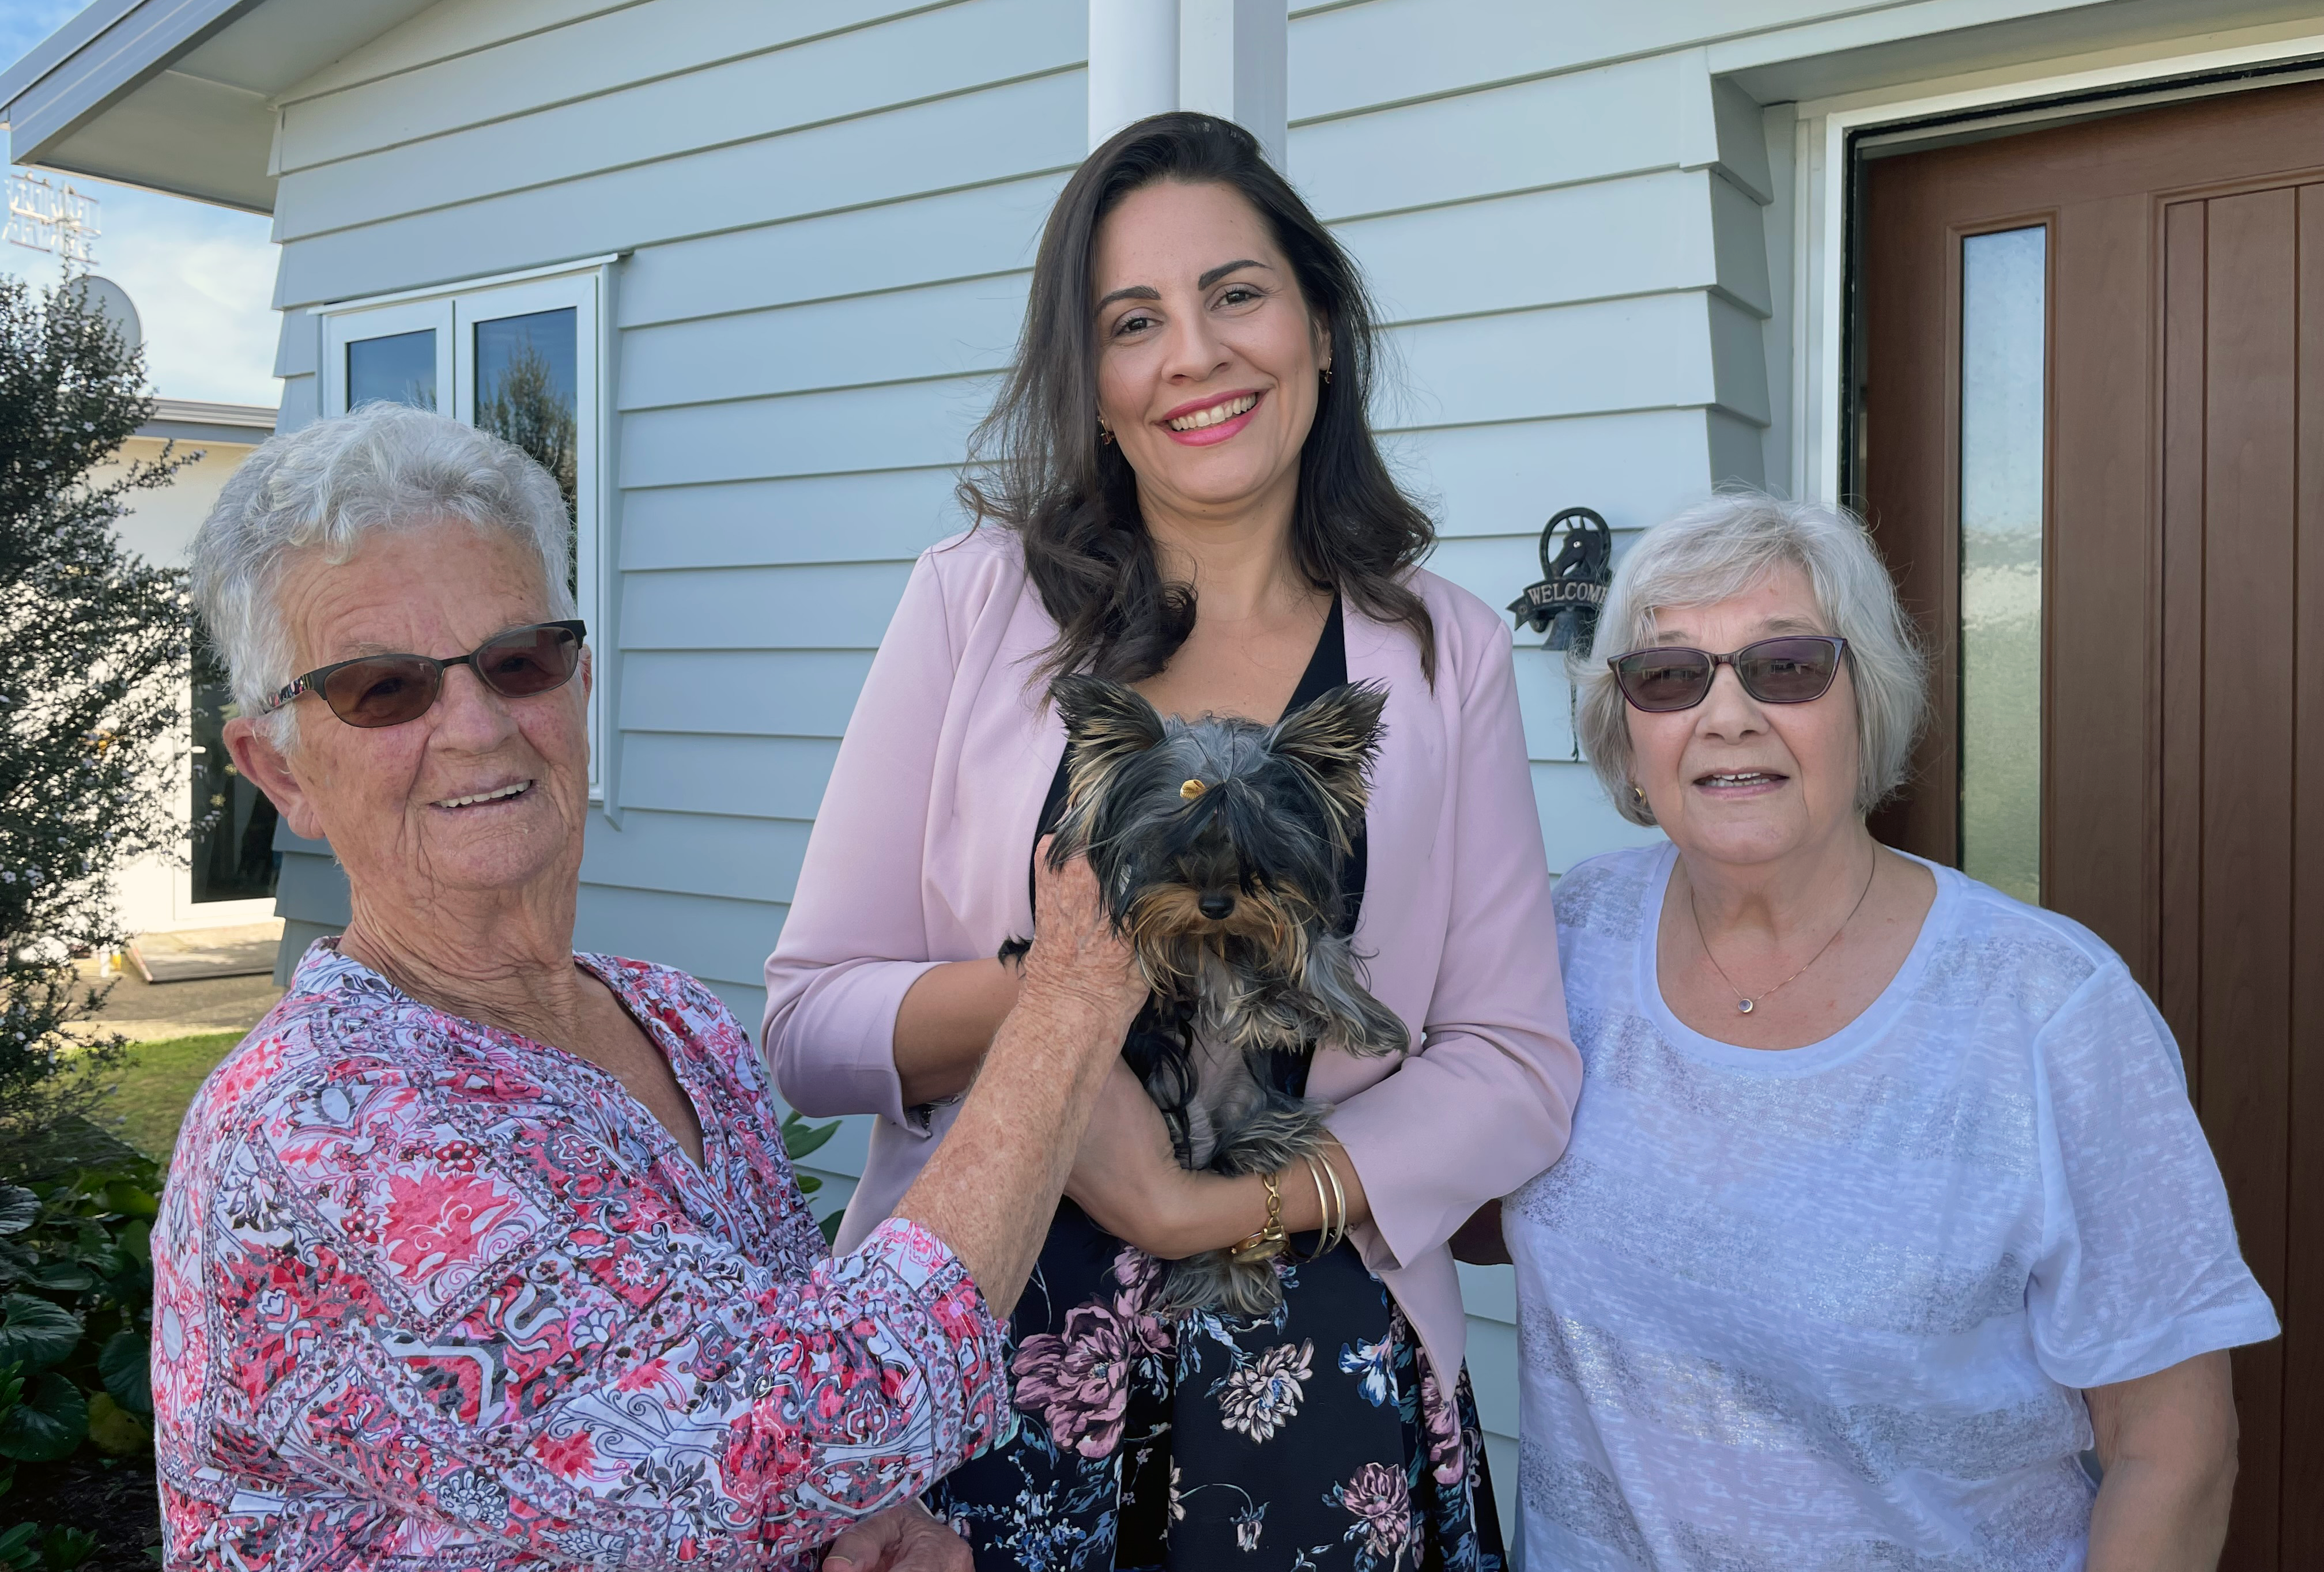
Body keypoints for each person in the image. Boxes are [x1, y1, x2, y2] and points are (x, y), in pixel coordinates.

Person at [764, 112, 1577, 1571]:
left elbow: (1513, 1062)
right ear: (1092, 385)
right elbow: (811, 1022)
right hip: (985, 1357)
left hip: (1315, 1360)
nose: (1194, 354)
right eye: (1133, 322)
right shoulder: (974, 603)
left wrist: (1205, 1208)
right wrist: (1056, 1002)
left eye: (1236, 294)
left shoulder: (1441, 649)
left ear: (1319, 325)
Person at [155, 402, 1150, 1571]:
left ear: (579, 684)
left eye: (518, 661)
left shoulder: (669, 1015)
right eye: (384, 689)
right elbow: (781, 1441)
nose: (475, 726)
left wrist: (869, 1523)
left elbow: (761, 1384)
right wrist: (1072, 991)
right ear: (279, 769)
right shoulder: (314, 1138)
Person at [1496, 491, 2278, 1570]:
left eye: (1786, 667)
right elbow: (1457, 1193)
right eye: (1671, 677)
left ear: (1868, 703)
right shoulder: (1570, 938)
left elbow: (2173, 1448)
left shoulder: (2048, 1009)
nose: (1728, 717)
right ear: (1627, 736)